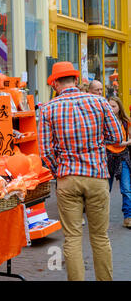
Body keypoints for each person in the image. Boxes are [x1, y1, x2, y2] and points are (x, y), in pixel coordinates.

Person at [38, 61, 123, 281]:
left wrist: (61, 171)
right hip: (96, 176)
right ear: (76, 80)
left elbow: (46, 152)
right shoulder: (99, 102)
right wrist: (97, 144)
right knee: (100, 237)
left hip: (67, 177)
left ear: (55, 83)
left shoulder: (48, 109)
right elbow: (117, 137)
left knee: (73, 238)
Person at [106, 96, 131, 228]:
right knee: (105, 190)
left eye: (114, 106)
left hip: (122, 156)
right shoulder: (104, 122)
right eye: (109, 106)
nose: (111, 108)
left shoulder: (126, 122)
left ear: (119, 107)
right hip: (108, 156)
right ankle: (102, 218)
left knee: (126, 189)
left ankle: (128, 217)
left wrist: (125, 143)